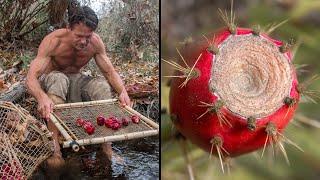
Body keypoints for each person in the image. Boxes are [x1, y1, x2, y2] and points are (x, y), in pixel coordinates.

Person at [26, 6, 131, 170]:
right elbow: (31, 77)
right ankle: (56, 152)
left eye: (87, 36)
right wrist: (41, 97)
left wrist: (122, 92)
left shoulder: (95, 43)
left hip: (76, 80)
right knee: (59, 79)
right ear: (69, 28)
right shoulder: (53, 41)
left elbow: (109, 72)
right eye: (79, 36)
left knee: (102, 85)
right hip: (53, 79)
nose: (83, 41)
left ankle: (106, 148)